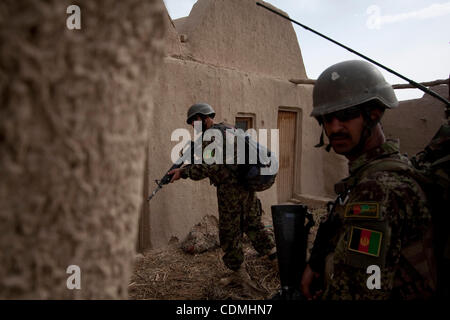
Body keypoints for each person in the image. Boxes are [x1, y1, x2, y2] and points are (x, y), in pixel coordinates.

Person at [301, 60, 435, 300]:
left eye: (345, 115)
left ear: (374, 114)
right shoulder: (388, 168)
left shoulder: (377, 189)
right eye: (326, 118)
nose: (335, 128)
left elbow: (360, 291)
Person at [169, 103, 277, 296]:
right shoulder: (229, 128)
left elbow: (206, 167)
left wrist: (183, 173)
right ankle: (277, 262)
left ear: (204, 118)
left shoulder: (212, 137)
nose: (194, 126)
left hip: (231, 191)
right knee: (253, 225)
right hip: (246, 185)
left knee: (229, 232)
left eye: (194, 122)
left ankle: (238, 274)